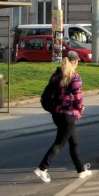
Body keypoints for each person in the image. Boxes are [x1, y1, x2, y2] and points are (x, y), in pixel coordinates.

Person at [34, 51, 91, 181]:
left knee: (74, 141)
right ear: (75, 62)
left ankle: (81, 169)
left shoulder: (57, 75)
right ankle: (42, 168)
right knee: (59, 143)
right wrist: (81, 108)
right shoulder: (74, 77)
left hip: (57, 114)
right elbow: (78, 97)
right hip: (68, 116)